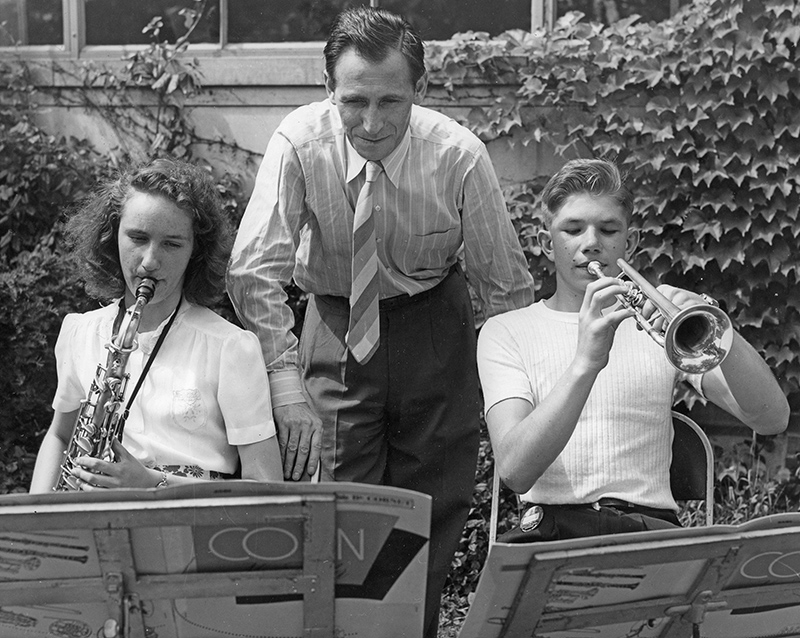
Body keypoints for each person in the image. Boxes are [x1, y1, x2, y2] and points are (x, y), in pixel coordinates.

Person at [226, 6, 534, 635]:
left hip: (433, 325)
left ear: (419, 91)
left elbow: (505, 285)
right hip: (336, 323)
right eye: (354, 101)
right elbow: (253, 270)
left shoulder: (458, 155)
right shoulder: (298, 142)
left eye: (390, 102)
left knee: (432, 504)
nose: (370, 123)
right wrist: (285, 387)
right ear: (328, 88)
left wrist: (521, 394)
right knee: (333, 502)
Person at [477, 158, 790, 541]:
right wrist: (586, 363)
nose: (591, 244)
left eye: (608, 229)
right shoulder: (507, 331)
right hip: (550, 531)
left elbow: (772, 419)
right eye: (573, 230)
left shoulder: (658, 325)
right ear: (547, 243)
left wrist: (712, 321)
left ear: (631, 241)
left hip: (650, 532)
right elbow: (515, 471)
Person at [30, 158, 283, 494]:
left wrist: (152, 483)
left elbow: (266, 486)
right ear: (110, 236)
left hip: (189, 530)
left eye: (172, 244)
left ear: (196, 251)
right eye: (137, 237)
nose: (150, 262)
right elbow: (61, 436)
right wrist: (38, 520)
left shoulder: (230, 347)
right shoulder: (80, 332)